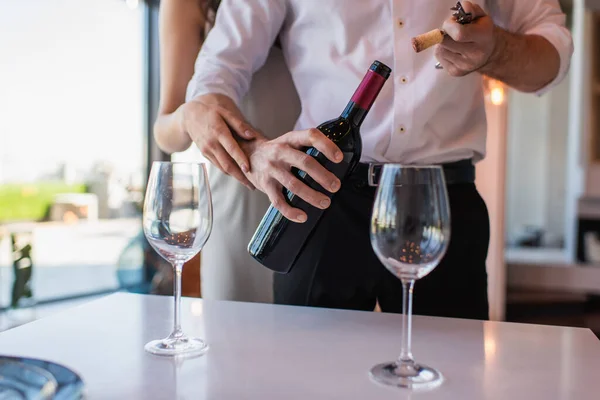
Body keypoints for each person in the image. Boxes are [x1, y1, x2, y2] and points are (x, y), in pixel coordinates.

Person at [181, 0, 573, 320]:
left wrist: (497, 50)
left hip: (442, 205)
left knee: (450, 381)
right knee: (305, 379)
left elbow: (553, 54)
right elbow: (210, 85)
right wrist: (255, 153)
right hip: (322, 201)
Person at [153, 0, 300, 303]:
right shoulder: (188, 4)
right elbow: (165, 130)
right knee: (236, 335)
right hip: (240, 200)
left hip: (315, 194)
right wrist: (189, 115)